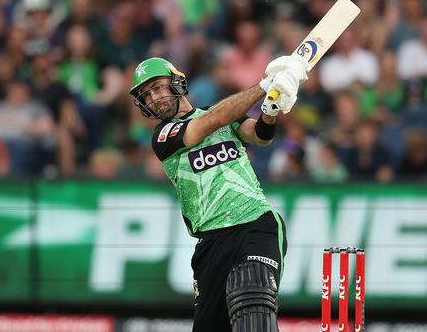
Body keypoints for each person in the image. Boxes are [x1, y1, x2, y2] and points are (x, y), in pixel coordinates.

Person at [128, 55, 307, 331]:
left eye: (157, 87)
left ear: (177, 82)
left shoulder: (221, 116)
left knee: (253, 304)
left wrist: (271, 106)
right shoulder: (163, 136)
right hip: (211, 242)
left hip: (254, 223)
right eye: (146, 94)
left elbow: (260, 134)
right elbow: (213, 120)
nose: (154, 97)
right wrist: (265, 85)